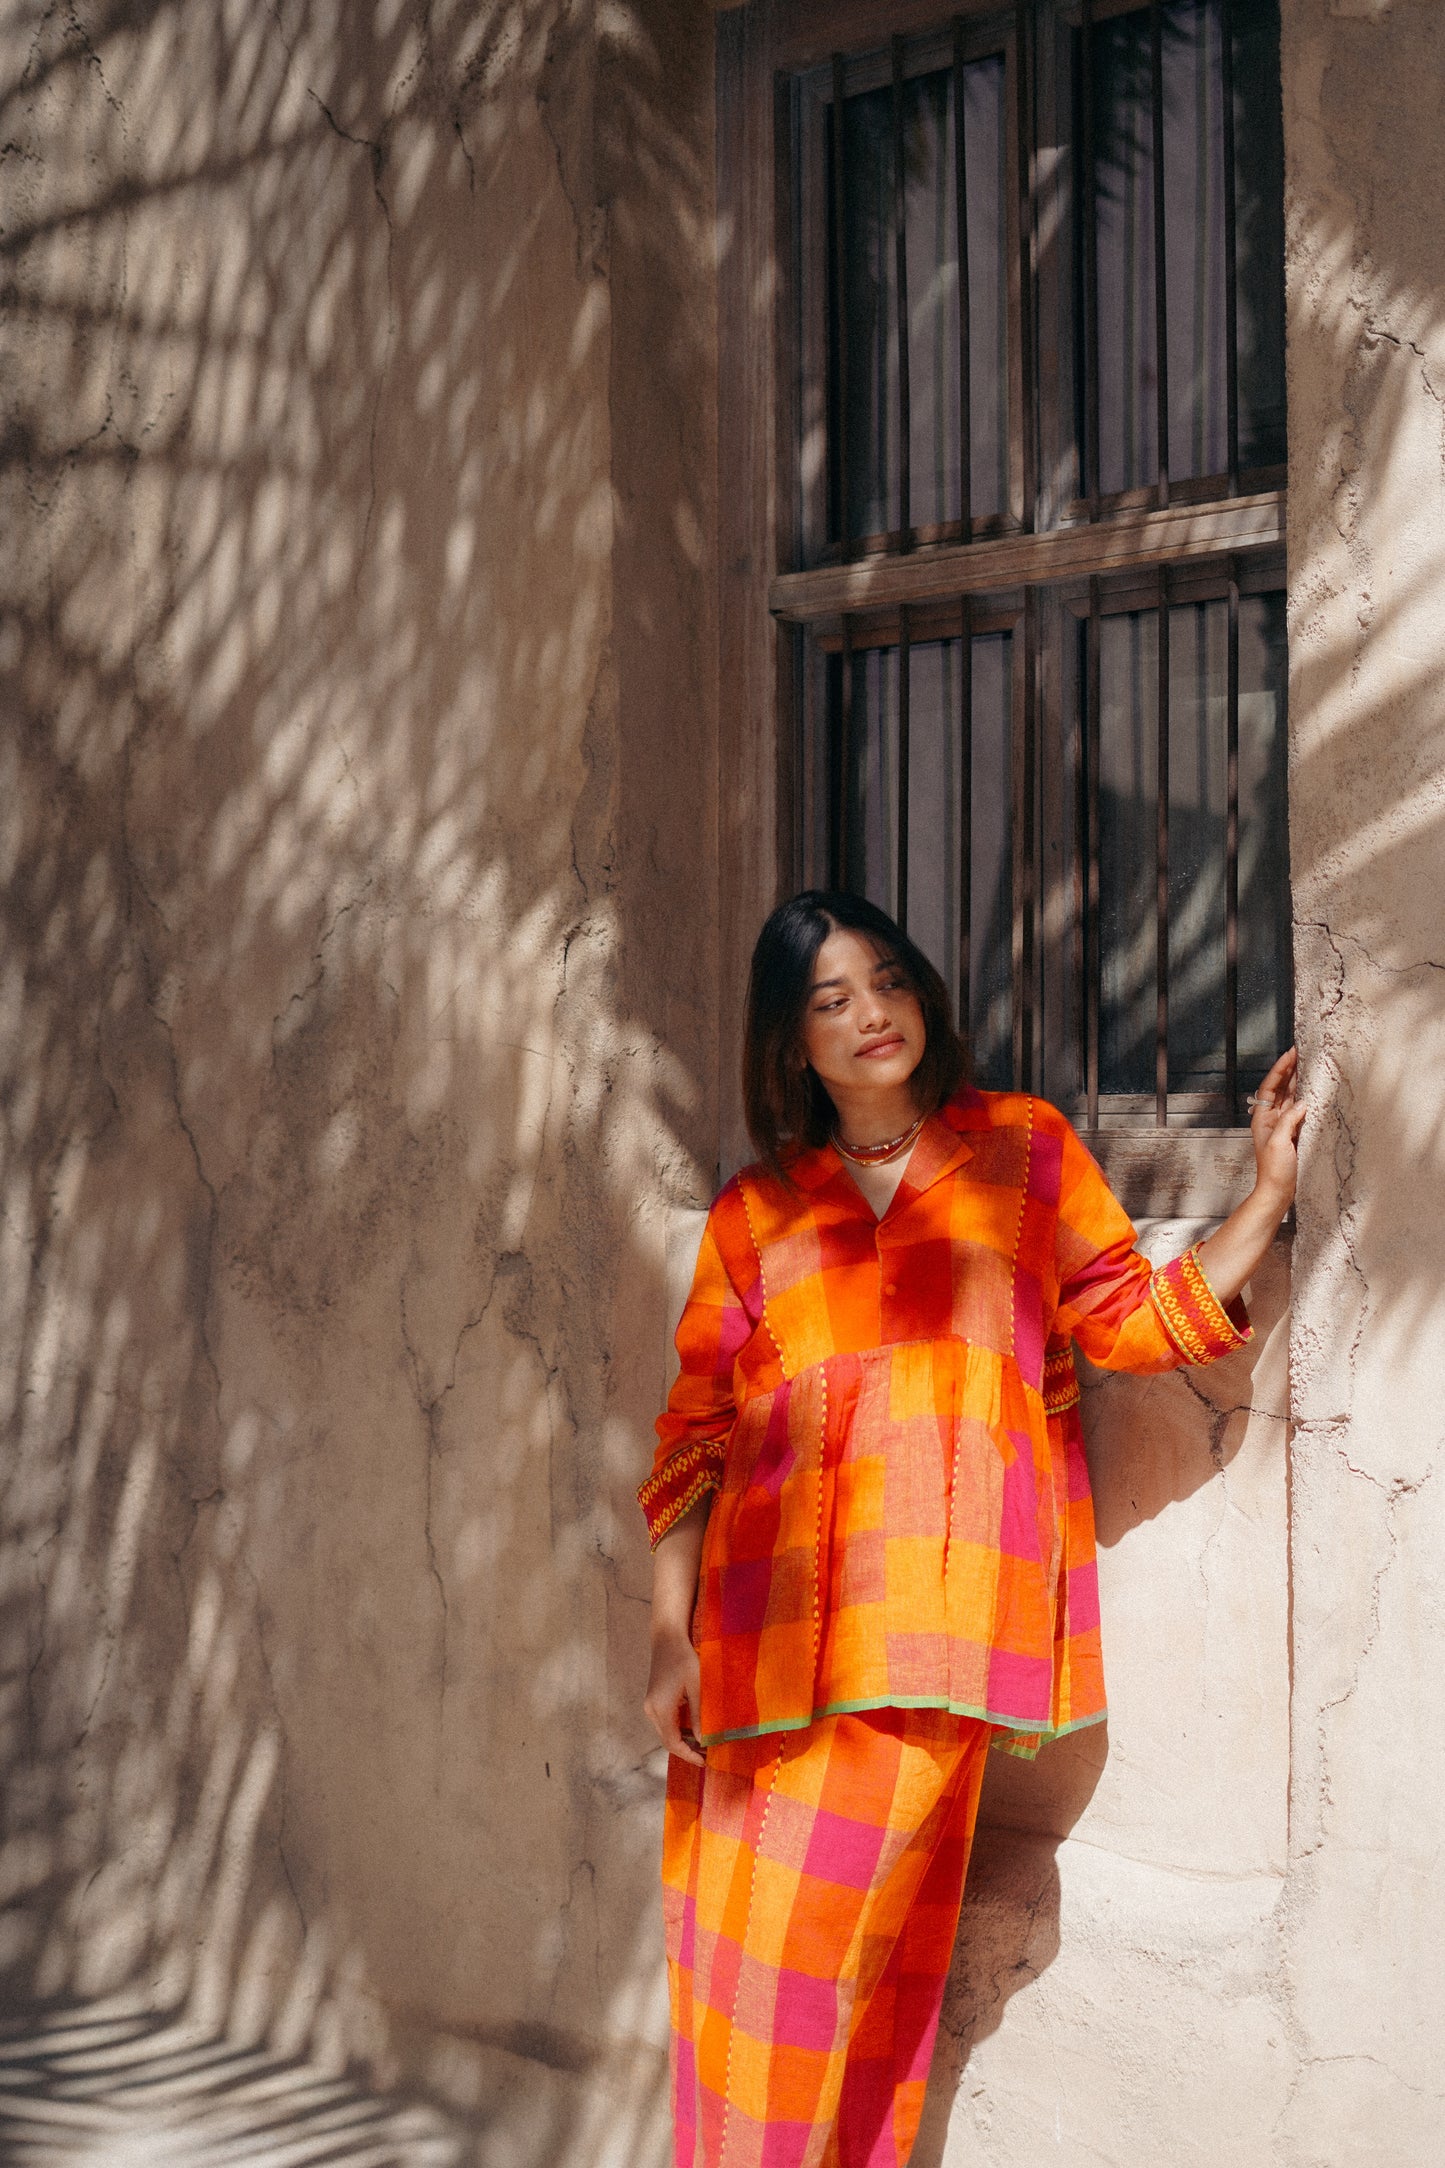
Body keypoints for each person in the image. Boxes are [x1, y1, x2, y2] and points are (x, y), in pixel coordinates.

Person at [639, 889, 1304, 2168]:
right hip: (760, 1649)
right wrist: (668, 1631)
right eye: (828, 999)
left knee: (814, 1967)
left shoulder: (1021, 1150)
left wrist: (1262, 1197)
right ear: (790, 1042)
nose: (868, 1014)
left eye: (885, 980)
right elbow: (691, 1440)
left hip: (938, 1633)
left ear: (924, 994)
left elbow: (1121, 1316)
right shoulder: (755, 1214)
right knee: (748, 1961)